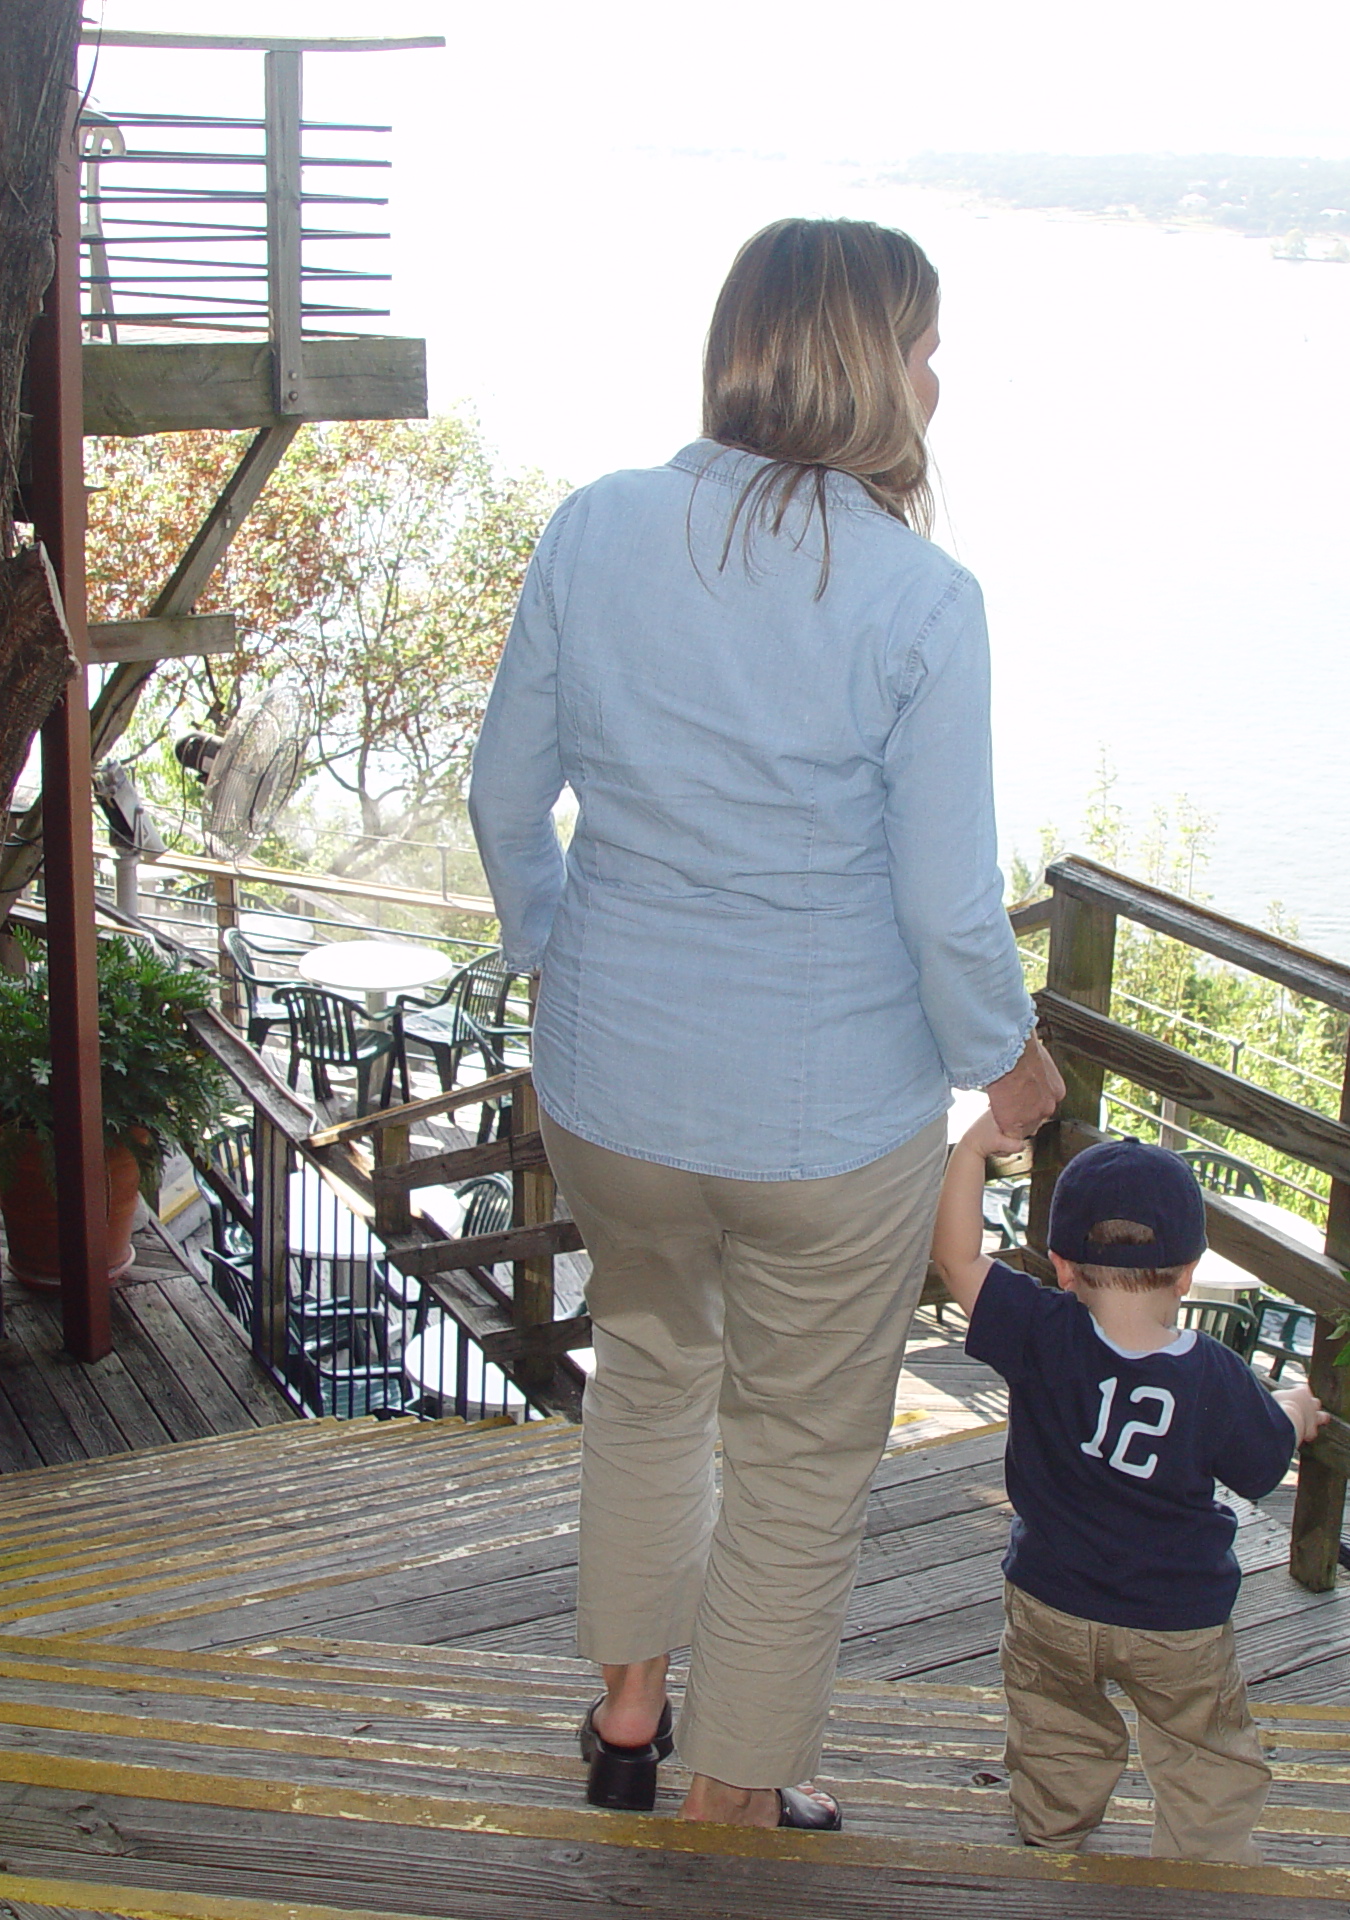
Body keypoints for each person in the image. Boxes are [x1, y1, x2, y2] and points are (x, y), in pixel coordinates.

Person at [467, 217, 1064, 1832]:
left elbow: (507, 793)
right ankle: (733, 1808)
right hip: (824, 1125)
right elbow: (949, 904)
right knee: (801, 1461)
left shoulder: (599, 527)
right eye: (927, 346)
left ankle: (627, 1718)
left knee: (651, 1377)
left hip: (613, 1091)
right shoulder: (924, 600)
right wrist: (1004, 1057)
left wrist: (557, 949)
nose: (941, 378)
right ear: (874, 362)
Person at [929, 1122, 1328, 1864]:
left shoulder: (1041, 1331)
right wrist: (1299, 1412)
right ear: (1187, 1272)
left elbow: (955, 1257)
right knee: (1204, 1750)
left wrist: (973, 1149)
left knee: (1055, 1728)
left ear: (1062, 1266)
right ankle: (1199, 1871)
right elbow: (1263, 1462)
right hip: (1175, 1618)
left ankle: (1052, 1833)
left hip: (1050, 1599)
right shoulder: (1214, 1374)